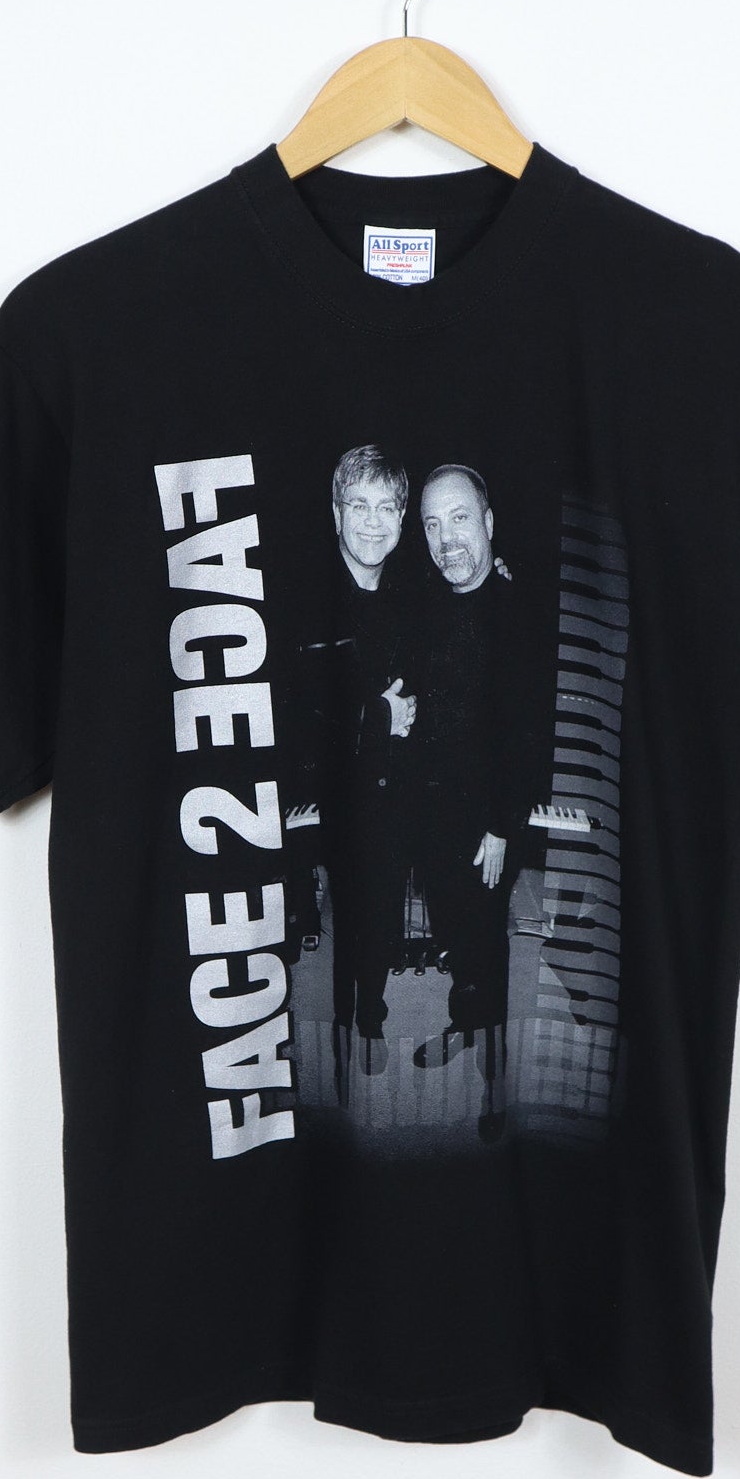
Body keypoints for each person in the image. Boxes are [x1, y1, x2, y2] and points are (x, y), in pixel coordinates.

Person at [409, 463, 538, 1082]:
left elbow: (525, 732)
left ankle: (495, 1080)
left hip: (488, 821)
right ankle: (465, 1020)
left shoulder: (517, 612)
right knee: (456, 933)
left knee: (487, 938)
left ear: (488, 522)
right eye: (433, 524)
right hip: (434, 812)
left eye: (459, 518)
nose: (447, 539)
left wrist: (502, 826)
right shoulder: (428, 605)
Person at [316, 445, 417, 1052]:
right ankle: (340, 1024)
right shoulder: (311, 597)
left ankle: (371, 1019)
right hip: (335, 796)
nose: (373, 522)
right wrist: (382, 715)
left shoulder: (408, 596)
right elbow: (309, 718)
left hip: (393, 792)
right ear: (337, 512)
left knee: (380, 914)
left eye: (386, 507)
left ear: (402, 518)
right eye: (359, 505)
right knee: (348, 915)